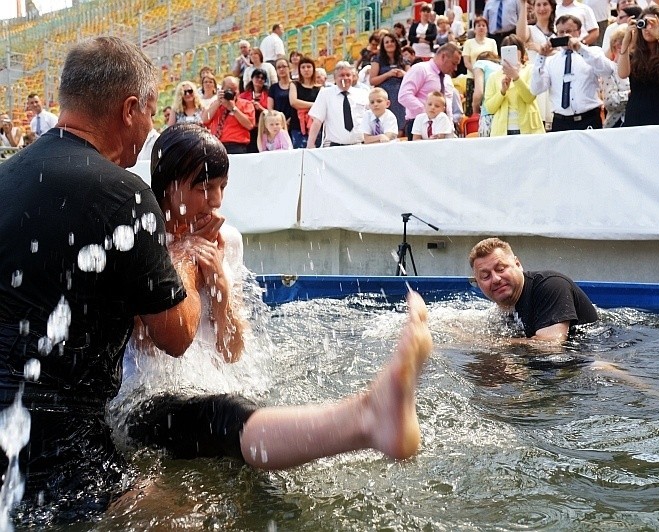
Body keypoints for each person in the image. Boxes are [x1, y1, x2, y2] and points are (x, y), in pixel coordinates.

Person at [123, 122, 432, 476]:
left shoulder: (228, 241)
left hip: (214, 391)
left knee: (246, 427)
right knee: (225, 418)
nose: (217, 201)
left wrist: (222, 297)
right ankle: (367, 419)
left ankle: (367, 418)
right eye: (204, 188)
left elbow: (232, 351)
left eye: (222, 187)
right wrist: (183, 261)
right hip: (150, 399)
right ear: (168, 186)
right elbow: (151, 345)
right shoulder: (140, 242)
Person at [0, 36, 199, 522]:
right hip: (60, 453)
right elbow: (177, 336)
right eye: (151, 114)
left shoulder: (6, 176)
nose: (150, 129)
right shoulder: (122, 196)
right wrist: (185, 259)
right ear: (130, 109)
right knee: (186, 511)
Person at [469, 237, 598, 342]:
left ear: (518, 264)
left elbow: (552, 345)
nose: (496, 279)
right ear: (478, 283)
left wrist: (493, 343)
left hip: (595, 353)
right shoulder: (502, 309)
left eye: (501, 269)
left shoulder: (551, 285)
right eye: (485, 276)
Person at [530, 14, 616, 131]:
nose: (565, 35)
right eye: (561, 32)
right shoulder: (550, 61)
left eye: (569, 31)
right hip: (561, 121)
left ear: (579, 32)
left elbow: (608, 70)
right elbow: (536, 89)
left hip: (588, 118)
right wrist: (541, 57)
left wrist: (581, 48)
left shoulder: (592, 53)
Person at [617, 5, 659, 126]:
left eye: (653, 24)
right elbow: (622, 74)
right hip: (637, 114)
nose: (647, 29)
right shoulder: (634, 54)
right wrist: (626, 43)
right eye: (644, 24)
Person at [398, 42, 462, 138]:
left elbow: (448, 106)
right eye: (454, 63)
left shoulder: (447, 79)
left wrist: (450, 128)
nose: (455, 68)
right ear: (443, 57)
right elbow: (404, 95)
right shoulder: (420, 69)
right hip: (419, 125)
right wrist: (427, 113)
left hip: (442, 127)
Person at [485, 34, 546, 135]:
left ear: (521, 51)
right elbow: (490, 108)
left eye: (514, 48)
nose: (511, 53)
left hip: (528, 129)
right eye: (506, 49)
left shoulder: (530, 70)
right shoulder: (494, 76)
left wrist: (516, 77)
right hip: (502, 131)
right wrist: (502, 92)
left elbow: (529, 97)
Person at [307, 61, 368, 148]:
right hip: (335, 147)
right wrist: (310, 144)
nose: (345, 78)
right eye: (341, 75)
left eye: (348, 75)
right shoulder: (325, 94)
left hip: (359, 145)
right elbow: (317, 121)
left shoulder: (362, 93)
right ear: (335, 78)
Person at [201, 76, 255, 154]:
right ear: (222, 89)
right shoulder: (216, 104)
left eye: (234, 90)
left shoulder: (246, 104)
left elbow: (249, 125)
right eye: (229, 89)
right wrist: (217, 102)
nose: (232, 93)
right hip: (217, 145)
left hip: (236, 146)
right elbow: (205, 120)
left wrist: (233, 108)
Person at [369, 33, 409, 130]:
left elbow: (412, 77)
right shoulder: (377, 59)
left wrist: (404, 74)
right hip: (384, 97)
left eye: (392, 41)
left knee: (401, 127)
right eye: (387, 42)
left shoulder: (403, 59)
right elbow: (372, 80)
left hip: (400, 98)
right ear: (383, 45)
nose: (390, 44)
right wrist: (388, 74)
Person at [463, 16, 499, 115]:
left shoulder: (492, 42)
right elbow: (466, 62)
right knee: (471, 105)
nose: (481, 28)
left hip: (489, 78)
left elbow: (495, 59)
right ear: (474, 29)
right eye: (478, 25)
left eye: (484, 25)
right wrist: (476, 72)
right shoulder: (468, 43)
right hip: (472, 77)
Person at [288, 56, 321, 148]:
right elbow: (294, 102)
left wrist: (303, 105)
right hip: (297, 126)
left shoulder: (319, 88)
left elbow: (322, 107)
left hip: (314, 126)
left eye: (309, 67)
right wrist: (314, 105)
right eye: (303, 67)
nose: (306, 70)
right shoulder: (294, 84)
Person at [601, 29, 632, 127]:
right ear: (619, 46)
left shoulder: (639, 67)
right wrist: (631, 94)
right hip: (617, 124)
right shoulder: (610, 70)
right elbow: (610, 101)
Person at [472, 51, 503, 135]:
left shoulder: (480, 64)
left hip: (488, 113)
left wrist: (475, 109)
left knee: (486, 146)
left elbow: (479, 92)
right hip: (503, 112)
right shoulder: (501, 67)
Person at [239, 68, 271, 152]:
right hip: (249, 129)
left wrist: (261, 109)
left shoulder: (269, 95)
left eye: (262, 78)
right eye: (257, 77)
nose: (259, 79)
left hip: (264, 128)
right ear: (252, 78)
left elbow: (272, 113)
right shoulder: (243, 96)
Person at [268, 56, 296, 131]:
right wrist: (279, 122)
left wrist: (289, 121)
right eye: (278, 67)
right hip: (278, 125)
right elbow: (270, 108)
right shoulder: (273, 88)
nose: (281, 69)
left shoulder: (296, 85)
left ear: (289, 68)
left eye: (284, 66)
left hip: (294, 124)